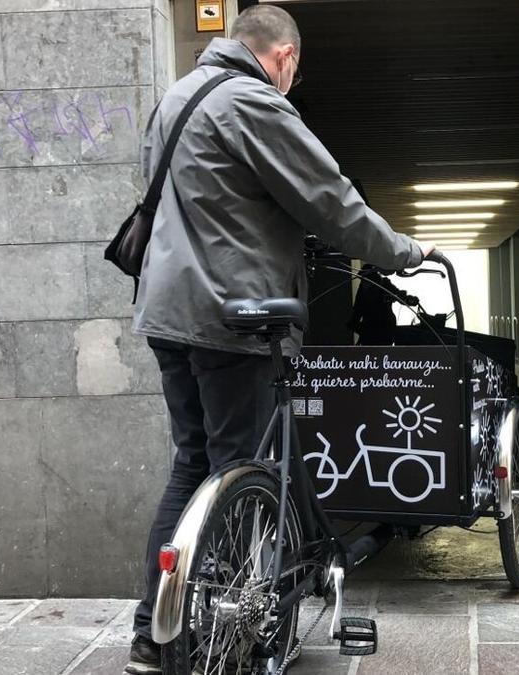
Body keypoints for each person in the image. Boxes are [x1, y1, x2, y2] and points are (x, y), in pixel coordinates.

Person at [125, 6, 433, 673]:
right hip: (233, 317)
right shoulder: (254, 104)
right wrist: (403, 251)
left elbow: (203, 200)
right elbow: (332, 200)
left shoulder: (175, 100)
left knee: (192, 464)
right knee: (242, 471)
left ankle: (152, 633)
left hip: (167, 313)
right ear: (284, 56)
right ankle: (240, 627)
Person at [348, 264, 419, 345]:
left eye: (366, 279)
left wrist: (409, 300)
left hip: (385, 326)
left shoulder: (384, 284)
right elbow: (357, 309)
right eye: (362, 279)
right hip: (369, 329)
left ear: (373, 277)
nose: (364, 282)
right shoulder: (363, 289)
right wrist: (356, 324)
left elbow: (398, 296)